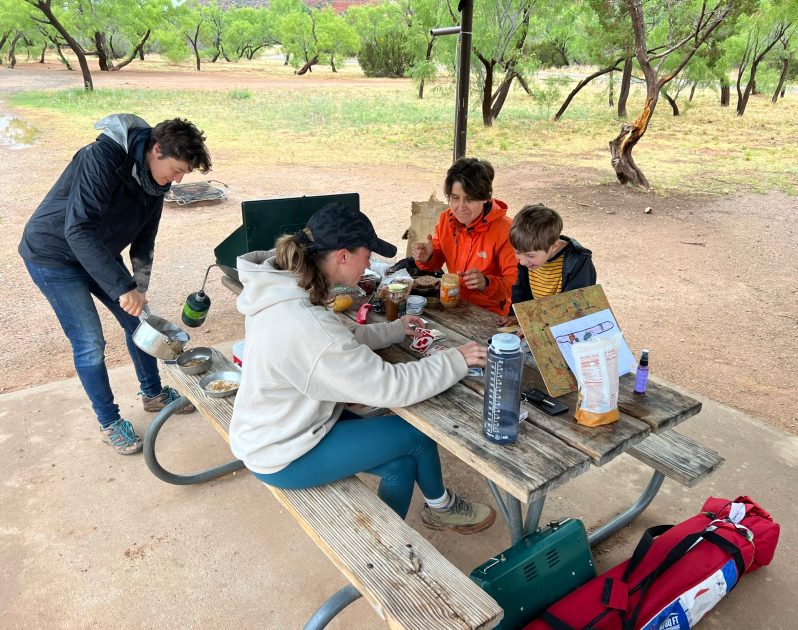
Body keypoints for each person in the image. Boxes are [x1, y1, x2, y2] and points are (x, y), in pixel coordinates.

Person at [230, 202, 496, 533]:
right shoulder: (306, 325)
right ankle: (415, 528)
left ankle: (401, 533)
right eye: (367, 254)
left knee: (400, 464)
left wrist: (396, 330)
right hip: (282, 451)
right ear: (342, 256)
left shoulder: (285, 290)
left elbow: (342, 336)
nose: (370, 263)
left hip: (284, 423)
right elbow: (391, 386)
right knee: (417, 433)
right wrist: (458, 358)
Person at [19, 114, 212, 455]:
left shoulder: (157, 180)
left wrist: (139, 284)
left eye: (184, 172)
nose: (179, 178)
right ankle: (109, 423)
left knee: (141, 322)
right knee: (90, 340)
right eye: (178, 168)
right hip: (53, 255)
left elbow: (145, 236)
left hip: (98, 253)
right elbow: (78, 230)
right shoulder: (101, 159)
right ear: (156, 149)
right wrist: (123, 288)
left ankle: (153, 394)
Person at [411, 157, 519, 316]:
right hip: (453, 302)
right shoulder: (446, 219)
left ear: (485, 197)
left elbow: (516, 284)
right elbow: (437, 259)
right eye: (455, 198)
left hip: (490, 313)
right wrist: (428, 257)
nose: (461, 207)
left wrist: (486, 283)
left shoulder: (506, 231)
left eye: (470, 199)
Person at [499, 203, 597, 327]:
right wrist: (520, 315)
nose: (522, 262)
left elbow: (577, 306)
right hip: (538, 320)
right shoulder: (527, 255)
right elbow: (520, 290)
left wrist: (537, 324)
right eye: (517, 252)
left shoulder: (579, 262)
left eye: (530, 256)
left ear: (554, 246)